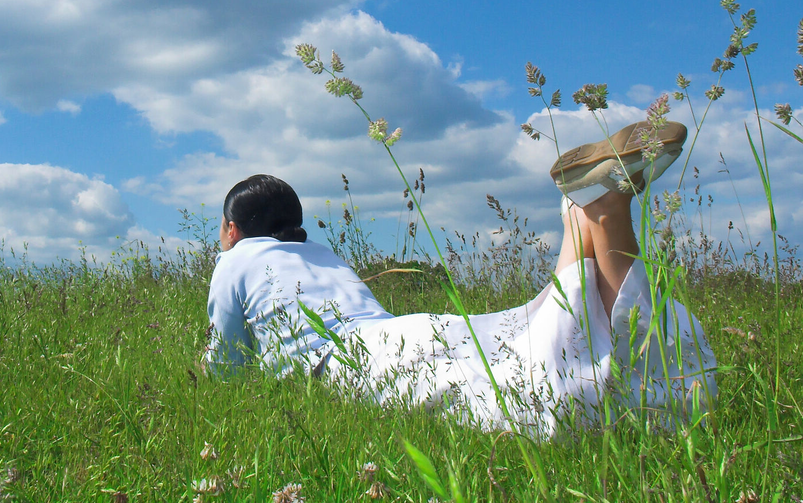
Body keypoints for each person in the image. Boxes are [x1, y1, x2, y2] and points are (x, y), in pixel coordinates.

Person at [204, 121, 717, 434]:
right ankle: (587, 214)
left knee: (535, 407)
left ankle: (595, 210)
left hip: (349, 365)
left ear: (231, 229)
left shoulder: (235, 260)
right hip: (406, 330)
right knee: (528, 347)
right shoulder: (321, 252)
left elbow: (226, 362)